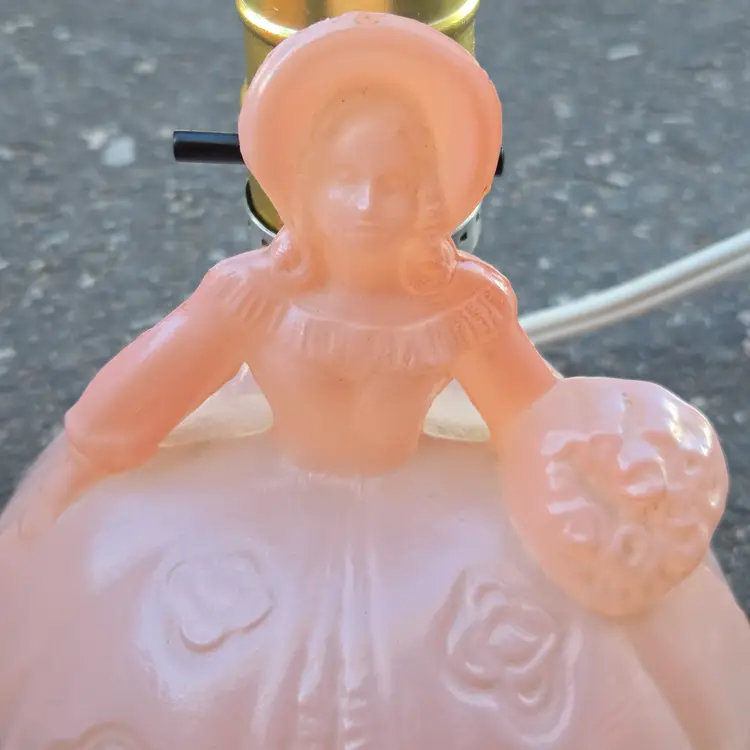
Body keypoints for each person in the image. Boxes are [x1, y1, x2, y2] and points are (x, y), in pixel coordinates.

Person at [1, 12, 748, 750]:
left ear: (428, 194)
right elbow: (135, 402)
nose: (366, 205)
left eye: (392, 184)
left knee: (557, 662)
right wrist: (66, 482)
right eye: (344, 180)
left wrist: (620, 477)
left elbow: (533, 421)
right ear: (302, 183)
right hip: (255, 519)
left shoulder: (462, 306)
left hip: (445, 535)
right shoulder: (250, 295)